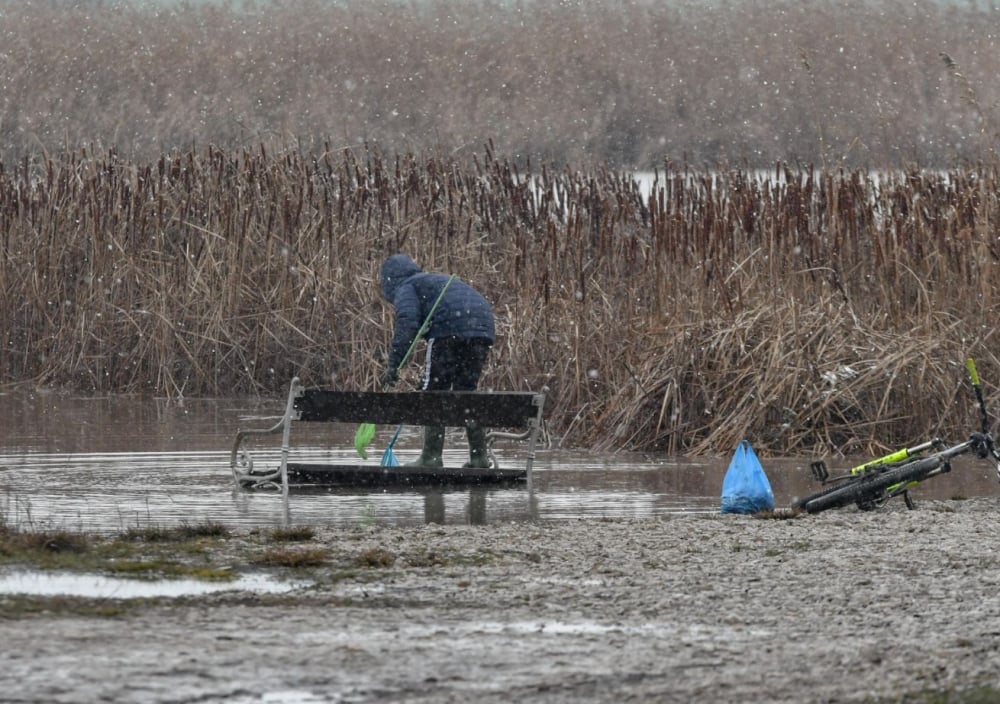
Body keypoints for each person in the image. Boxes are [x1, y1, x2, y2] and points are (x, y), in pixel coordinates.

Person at [379, 254, 496, 468]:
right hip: (482, 328)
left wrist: (394, 365)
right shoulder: (431, 281)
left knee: (433, 391)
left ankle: (431, 457)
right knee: (466, 392)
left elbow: (407, 323)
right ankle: (479, 458)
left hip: (449, 330)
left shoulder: (407, 286)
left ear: (389, 280)